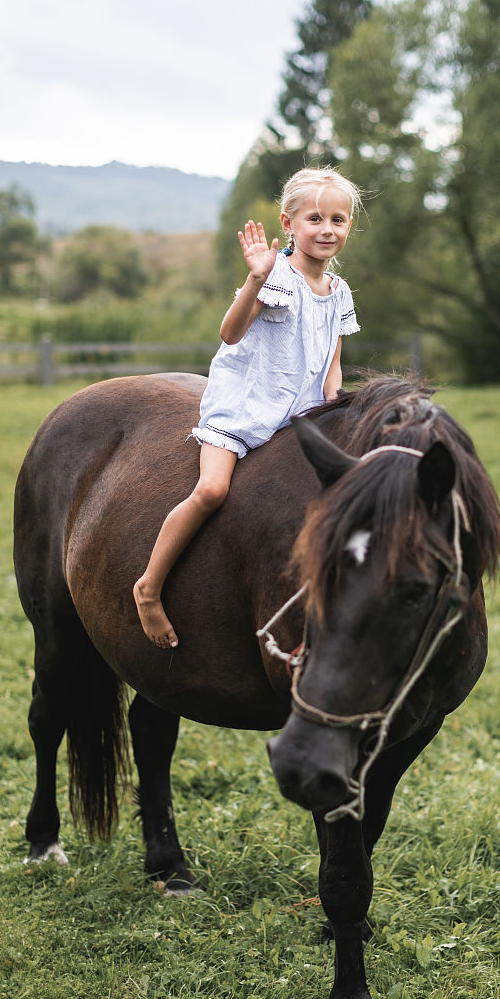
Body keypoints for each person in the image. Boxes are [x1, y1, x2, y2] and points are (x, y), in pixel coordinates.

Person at [133, 167, 362, 648]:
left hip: (299, 417)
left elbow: (332, 365)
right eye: (315, 218)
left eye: (337, 220)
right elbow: (230, 333)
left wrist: (335, 411)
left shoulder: (339, 291)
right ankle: (149, 587)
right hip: (245, 408)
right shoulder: (275, 275)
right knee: (212, 491)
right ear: (288, 224)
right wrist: (255, 279)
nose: (326, 229)